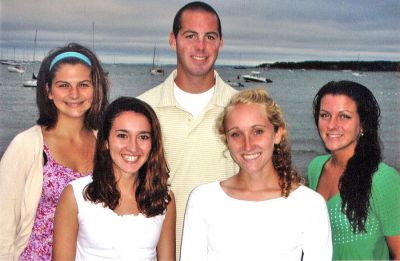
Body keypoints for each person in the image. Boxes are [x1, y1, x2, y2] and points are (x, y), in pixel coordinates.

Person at [181, 88, 332, 260]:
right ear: (226, 140)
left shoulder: (309, 205)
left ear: (277, 134)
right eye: (236, 134)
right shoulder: (203, 200)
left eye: (258, 131)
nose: (247, 145)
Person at [138, 1, 237, 255]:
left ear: (221, 43)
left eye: (210, 37)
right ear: (173, 40)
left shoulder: (241, 109)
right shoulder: (144, 110)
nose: (201, 46)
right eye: (190, 36)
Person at [0, 42, 109, 260]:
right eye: (63, 85)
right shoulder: (28, 145)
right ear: (48, 91)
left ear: (95, 89)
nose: (74, 94)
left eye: (84, 84)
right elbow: (3, 222)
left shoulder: (106, 143)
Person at [53, 97, 176, 260]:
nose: (133, 147)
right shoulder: (75, 195)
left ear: (153, 144)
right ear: (105, 142)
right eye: (122, 135)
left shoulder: (163, 199)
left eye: (143, 137)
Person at [308, 80, 400, 260]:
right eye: (325, 115)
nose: (332, 125)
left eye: (344, 116)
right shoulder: (315, 167)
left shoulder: (383, 179)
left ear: (363, 124)